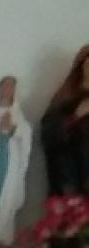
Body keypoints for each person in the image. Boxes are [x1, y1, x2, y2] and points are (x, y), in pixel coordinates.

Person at [0, 76, 31, 248]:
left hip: (10, 162)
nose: (7, 91)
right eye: (4, 87)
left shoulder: (17, 114)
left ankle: (1, 244)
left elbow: (25, 134)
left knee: (7, 199)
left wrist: (14, 130)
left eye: (10, 88)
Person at [40, 45, 89, 196]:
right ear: (82, 67)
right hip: (72, 183)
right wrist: (75, 116)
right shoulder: (66, 98)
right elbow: (48, 134)